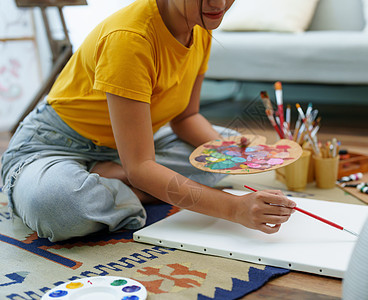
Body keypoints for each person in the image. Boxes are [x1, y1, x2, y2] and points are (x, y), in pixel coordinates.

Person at [1, 0, 296, 242]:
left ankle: (113, 177)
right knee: (57, 207)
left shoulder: (200, 25)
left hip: (132, 145)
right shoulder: (130, 39)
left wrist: (230, 150)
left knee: (217, 158)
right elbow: (142, 166)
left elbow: (186, 117)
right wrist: (234, 209)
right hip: (55, 145)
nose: (219, 3)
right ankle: (122, 180)